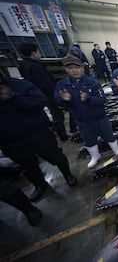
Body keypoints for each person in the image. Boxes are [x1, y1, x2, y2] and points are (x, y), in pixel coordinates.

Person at [0, 70, 77, 201]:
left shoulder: (20, 85)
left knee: (55, 155)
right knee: (27, 166)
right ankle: (40, 185)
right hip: (11, 141)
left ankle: (68, 175)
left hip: (37, 133)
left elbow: (40, 102)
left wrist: (15, 97)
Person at [55, 54, 118, 169]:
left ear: (82, 68)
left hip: (100, 118)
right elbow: (58, 102)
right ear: (66, 70)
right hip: (82, 120)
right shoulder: (62, 84)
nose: (74, 70)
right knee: (89, 139)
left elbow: (102, 99)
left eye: (77, 67)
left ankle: (117, 151)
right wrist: (65, 100)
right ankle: (95, 156)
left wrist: (88, 99)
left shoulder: (93, 83)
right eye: (70, 68)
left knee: (109, 135)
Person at [18, 43, 68, 141]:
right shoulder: (35, 66)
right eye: (38, 51)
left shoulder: (24, 65)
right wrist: (56, 94)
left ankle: (62, 134)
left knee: (55, 115)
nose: (39, 54)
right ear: (33, 53)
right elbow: (46, 83)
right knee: (57, 115)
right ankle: (63, 136)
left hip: (39, 95)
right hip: (48, 95)